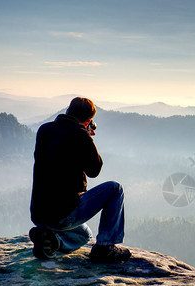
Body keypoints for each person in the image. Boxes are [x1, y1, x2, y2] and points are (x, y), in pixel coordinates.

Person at [29, 97, 131, 262]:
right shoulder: (80, 136)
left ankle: (50, 240)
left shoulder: (44, 130)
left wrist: (82, 133)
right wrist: (87, 136)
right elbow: (95, 170)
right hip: (63, 212)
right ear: (88, 120)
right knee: (115, 189)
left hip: (40, 214)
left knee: (84, 234)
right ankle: (105, 247)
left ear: (68, 110)